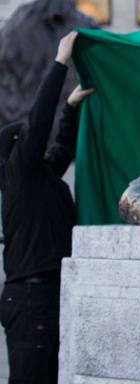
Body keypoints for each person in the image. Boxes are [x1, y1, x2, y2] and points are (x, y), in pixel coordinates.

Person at [0, 31, 92, 384]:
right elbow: (38, 124)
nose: (35, 140)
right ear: (17, 150)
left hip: (43, 295)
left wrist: (70, 107)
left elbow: (62, 148)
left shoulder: (39, 180)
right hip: (30, 298)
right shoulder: (18, 175)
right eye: (25, 139)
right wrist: (60, 62)